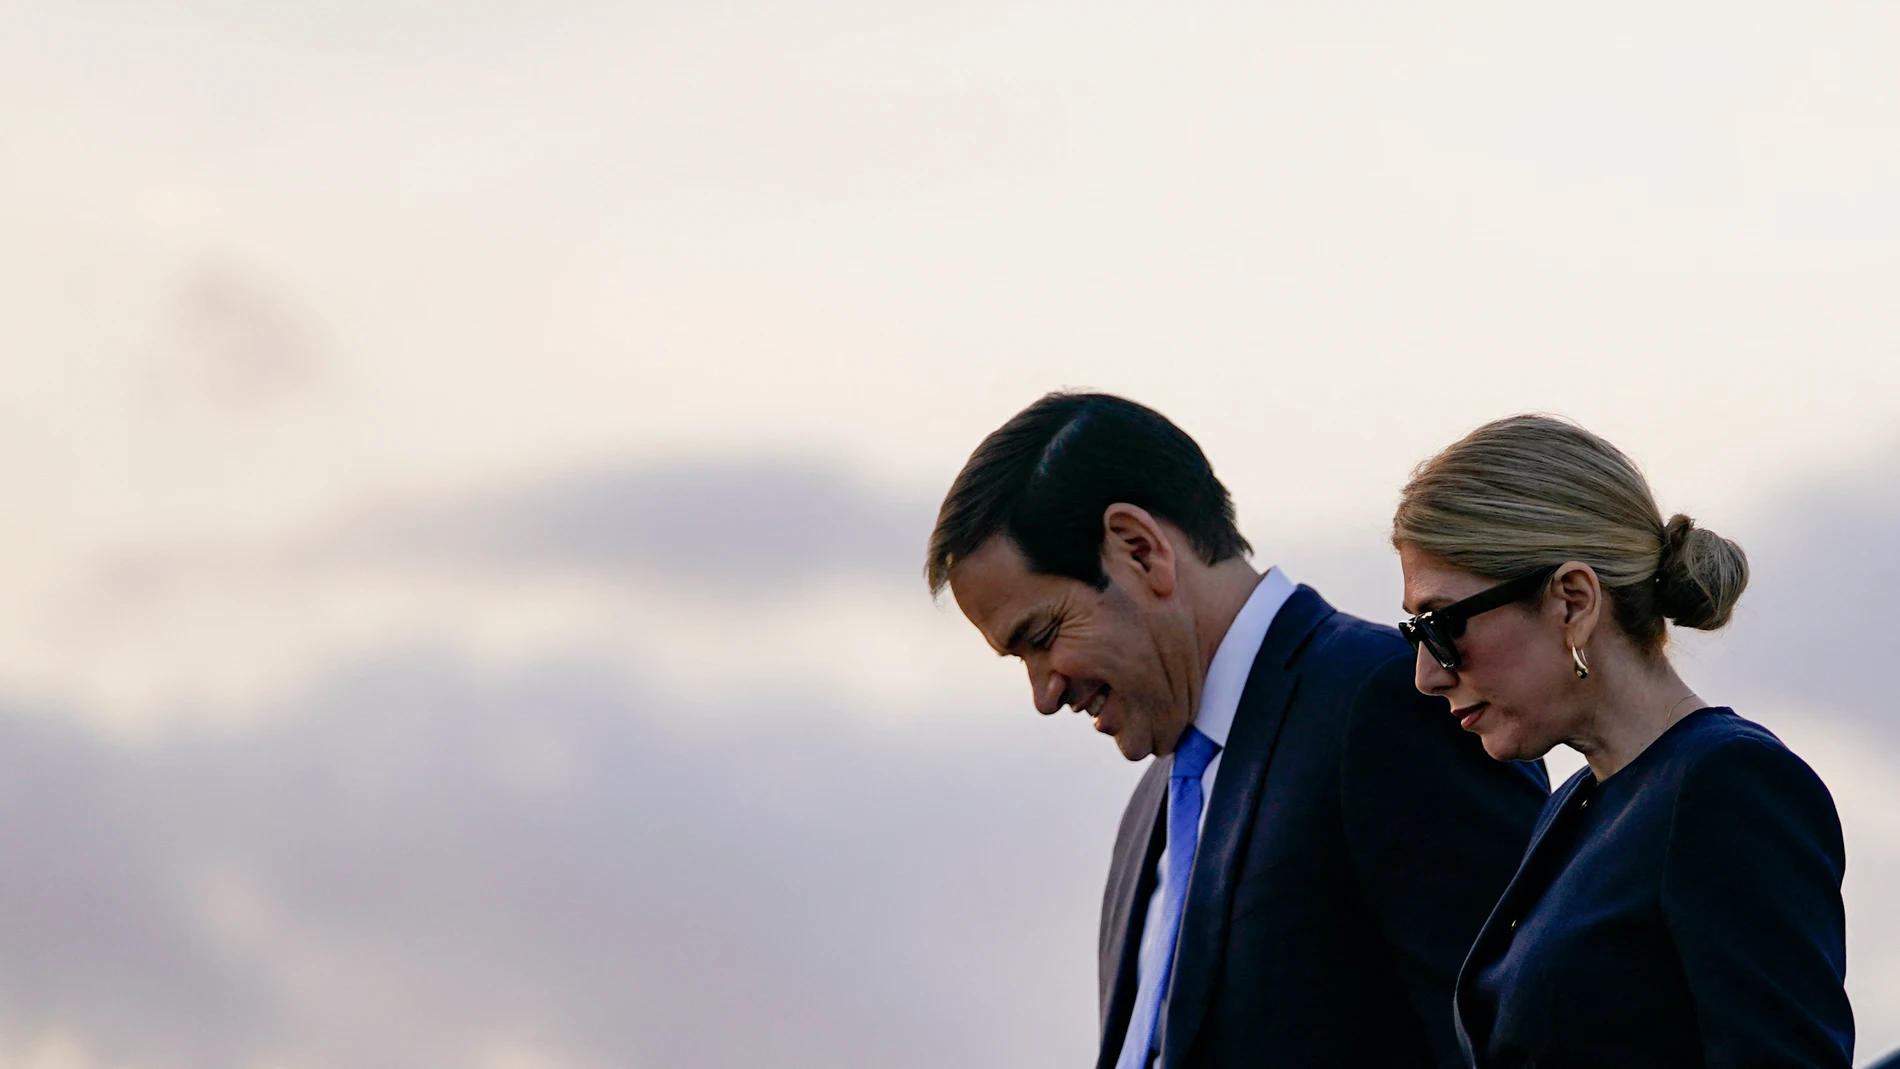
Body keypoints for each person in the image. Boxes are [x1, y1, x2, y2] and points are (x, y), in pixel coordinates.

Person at [927, 392, 1548, 1069]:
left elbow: (1513, 1043)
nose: (1044, 692)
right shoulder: (1154, 807)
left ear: (1139, 549)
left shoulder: (1387, 705)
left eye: (1043, 636)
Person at [1392, 414, 1854, 1068]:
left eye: (1441, 625)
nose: (1427, 674)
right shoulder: (1582, 800)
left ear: (1573, 601)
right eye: (1416, 634)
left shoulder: (1728, 785)